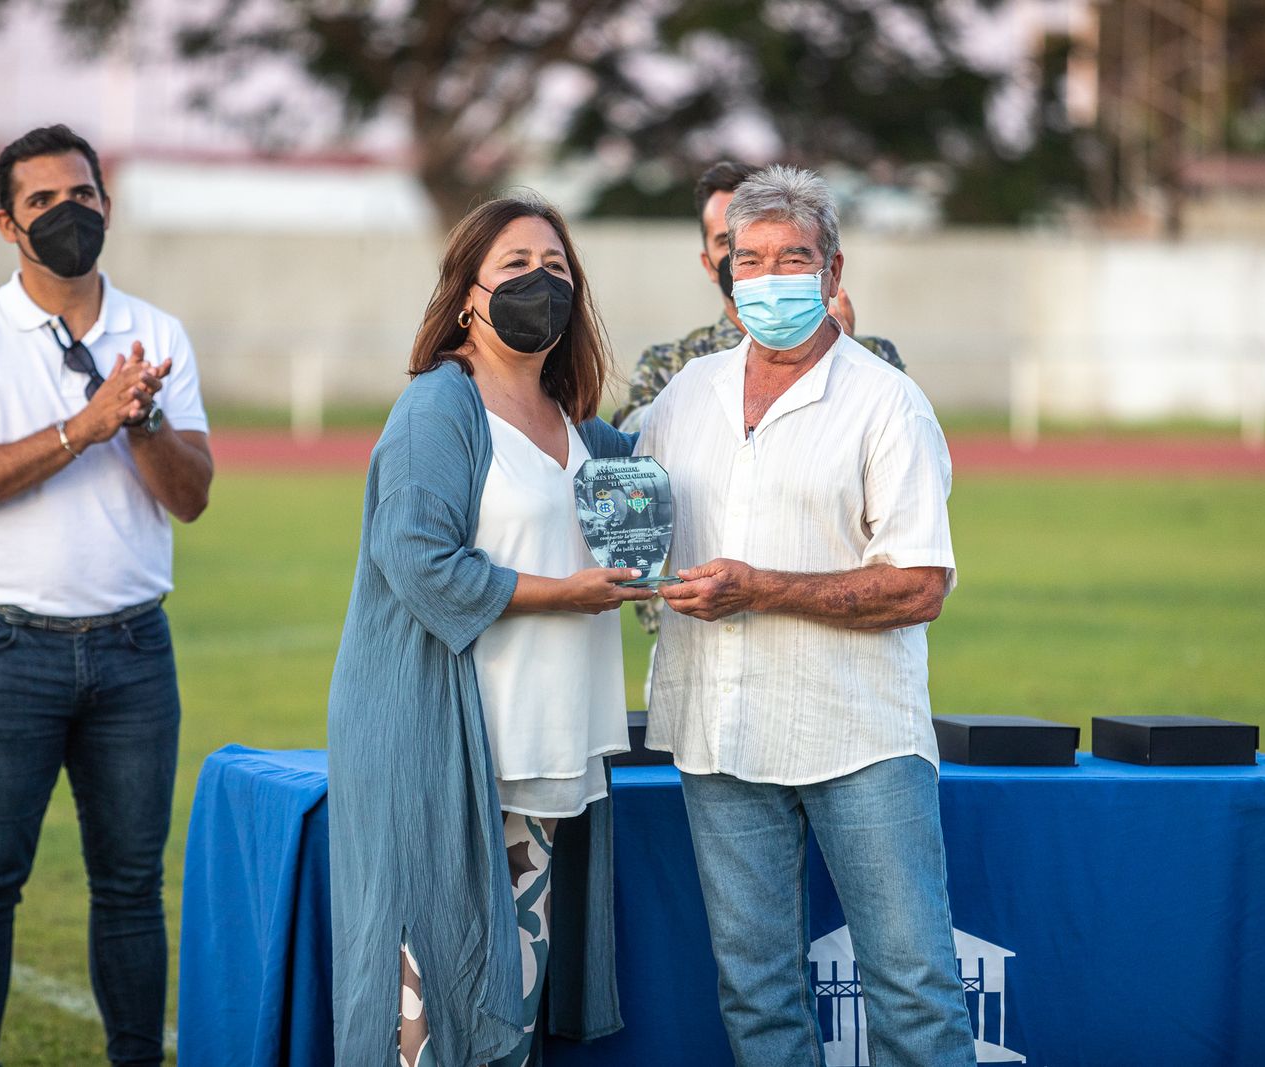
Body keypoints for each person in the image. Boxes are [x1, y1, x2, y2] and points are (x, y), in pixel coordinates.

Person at [637, 165, 976, 1066]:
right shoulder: (684, 396)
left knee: (912, 987)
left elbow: (919, 584)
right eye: (749, 260)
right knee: (756, 992)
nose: (770, 278)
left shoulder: (887, 404)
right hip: (718, 729)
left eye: (794, 258)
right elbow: (615, 507)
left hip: (856, 735)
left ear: (833, 272)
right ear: (726, 273)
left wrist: (762, 587)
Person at [327, 194, 651, 1067]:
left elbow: (665, 483)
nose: (539, 282)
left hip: (545, 756)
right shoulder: (440, 407)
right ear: (467, 292)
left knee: (504, 1011)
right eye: (515, 266)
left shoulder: (582, 430)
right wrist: (564, 593)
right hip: (445, 754)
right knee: (424, 1022)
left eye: (557, 268)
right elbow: (415, 556)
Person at [0, 124, 213, 1066]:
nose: (67, 213)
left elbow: (192, 497)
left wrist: (143, 417)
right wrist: (84, 426)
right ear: (8, 224)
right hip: (9, 647)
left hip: (133, 649)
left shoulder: (155, 335)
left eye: (81, 195)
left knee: (130, 885)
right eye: (42, 202)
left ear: (107, 207)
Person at [611, 159, 904, 433]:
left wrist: (836, 356)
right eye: (729, 242)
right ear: (709, 264)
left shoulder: (871, 355)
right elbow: (639, 441)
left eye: (788, 253)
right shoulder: (674, 364)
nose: (766, 266)